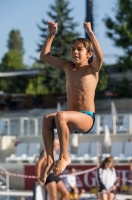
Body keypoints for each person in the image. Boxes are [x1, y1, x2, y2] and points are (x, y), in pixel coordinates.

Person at [39, 20, 103, 184]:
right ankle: (49, 159)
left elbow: (100, 56)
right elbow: (44, 56)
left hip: (86, 118)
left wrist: (90, 33)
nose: (74, 52)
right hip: (70, 117)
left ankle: (64, 156)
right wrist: (51, 35)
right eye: (72, 49)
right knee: (47, 119)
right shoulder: (68, 67)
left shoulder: (92, 68)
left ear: (89, 54)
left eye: (79, 50)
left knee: (61, 115)